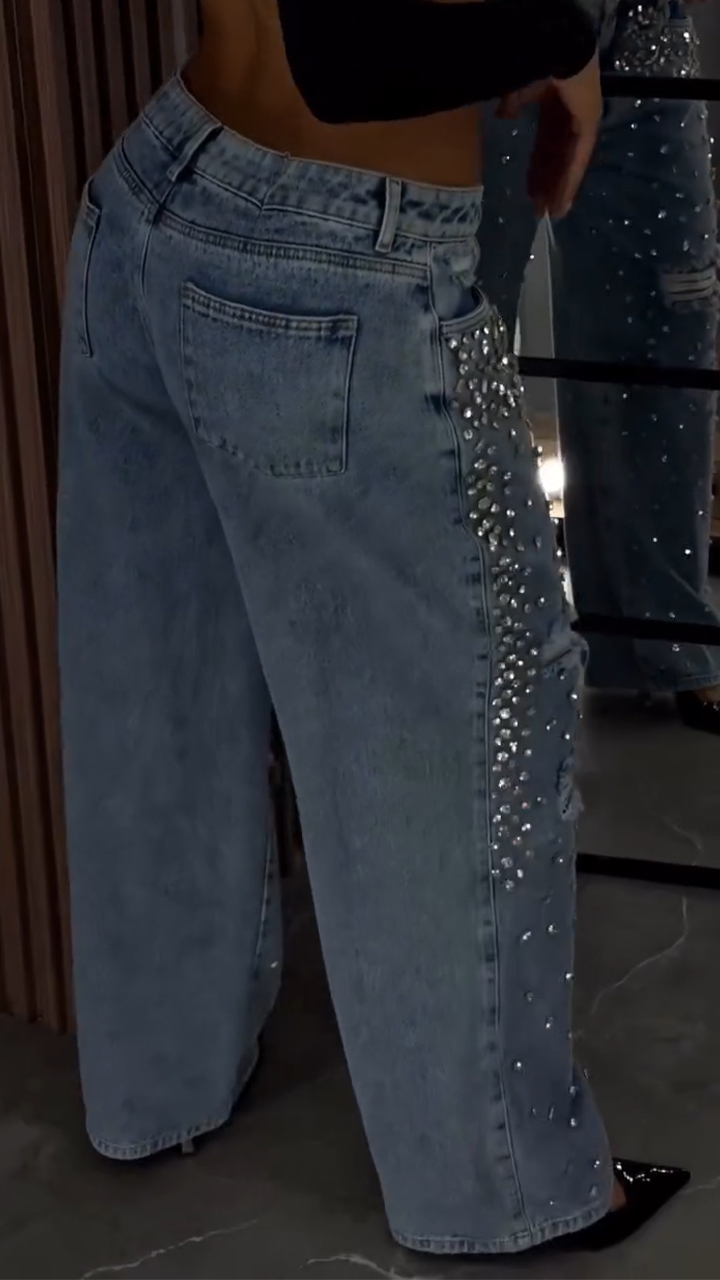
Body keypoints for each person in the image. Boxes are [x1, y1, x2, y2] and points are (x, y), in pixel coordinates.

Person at [57, 0, 686, 1257]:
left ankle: (157, 1084)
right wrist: (558, 42)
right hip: (342, 245)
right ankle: (500, 1187)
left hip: (162, 190)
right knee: (462, 728)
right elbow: (348, 55)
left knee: (159, 705)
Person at [479, 0, 720, 732]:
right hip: (483, 30)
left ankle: (659, 641)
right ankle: (479, 638)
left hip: (646, 34)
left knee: (671, 323)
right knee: (460, 328)